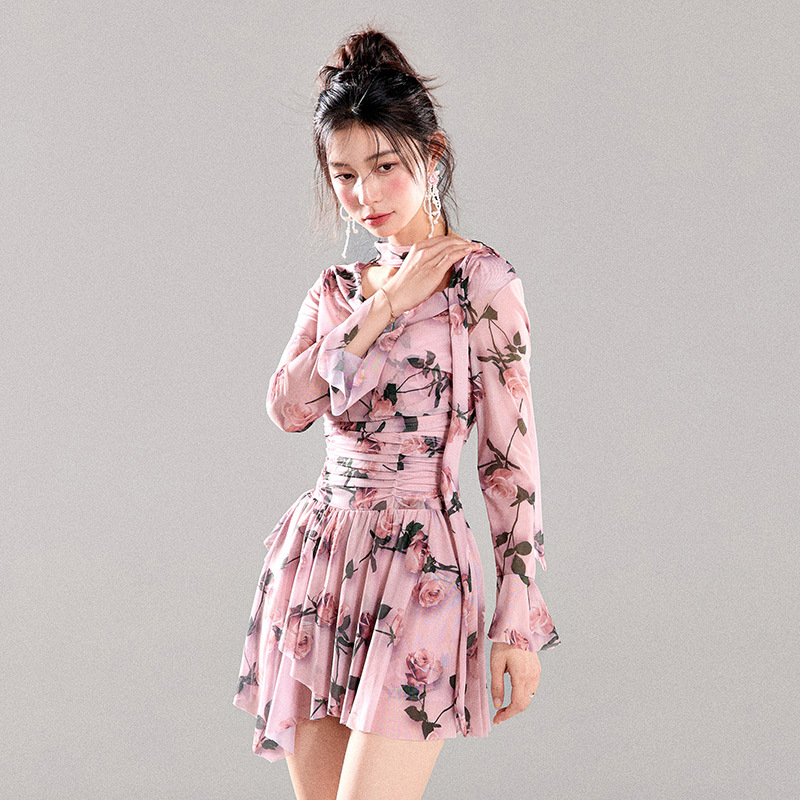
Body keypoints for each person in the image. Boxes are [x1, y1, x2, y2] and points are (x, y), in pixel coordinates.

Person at [233, 26, 561, 800]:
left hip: (423, 567)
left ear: (431, 155)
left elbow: (509, 457)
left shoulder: (480, 284)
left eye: (385, 167)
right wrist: (381, 308)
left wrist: (517, 620)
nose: (365, 195)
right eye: (345, 175)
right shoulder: (338, 292)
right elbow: (287, 407)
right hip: (321, 560)